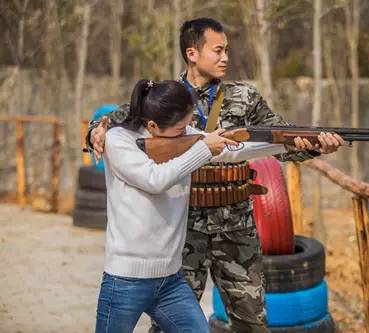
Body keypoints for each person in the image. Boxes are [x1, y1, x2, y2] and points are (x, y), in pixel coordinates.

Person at [87, 18, 344, 333]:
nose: (226, 58)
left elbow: (279, 139)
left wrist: (313, 145)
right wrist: (94, 132)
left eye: (227, 51)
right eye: (218, 50)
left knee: (251, 321)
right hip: (182, 229)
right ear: (192, 53)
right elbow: (115, 123)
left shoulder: (245, 98)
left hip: (235, 224)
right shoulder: (165, 99)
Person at [97, 78, 294, 333]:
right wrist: (203, 149)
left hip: (170, 280)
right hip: (125, 280)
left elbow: (233, 149)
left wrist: (289, 142)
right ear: (153, 125)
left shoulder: (183, 134)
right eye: (181, 128)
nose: (188, 131)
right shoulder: (118, 140)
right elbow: (155, 179)